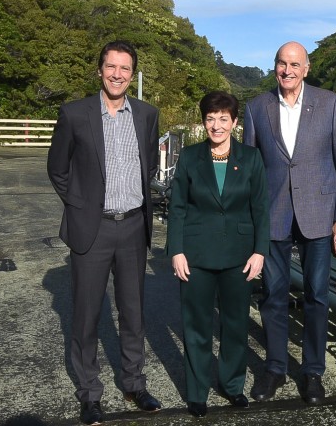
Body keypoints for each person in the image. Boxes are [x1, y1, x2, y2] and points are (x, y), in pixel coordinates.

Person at [47, 40, 162, 425]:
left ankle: (134, 382)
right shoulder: (75, 113)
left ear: (133, 74)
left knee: (133, 312)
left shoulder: (146, 115)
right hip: (91, 229)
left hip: (132, 225)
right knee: (86, 315)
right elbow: (57, 168)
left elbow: (148, 168)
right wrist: (80, 205)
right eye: (111, 67)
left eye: (125, 68)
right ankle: (90, 393)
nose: (117, 74)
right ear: (100, 70)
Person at [243, 41, 336, 406]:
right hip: (272, 215)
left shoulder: (330, 103)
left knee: (316, 297)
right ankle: (274, 369)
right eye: (281, 63)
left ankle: (312, 373)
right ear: (274, 66)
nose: (287, 70)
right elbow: (250, 171)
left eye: (294, 64)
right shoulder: (257, 107)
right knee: (272, 296)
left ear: (306, 69)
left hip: (319, 215)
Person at [166, 91, 270, 418]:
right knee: (196, 325)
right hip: (195, 255)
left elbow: (261, 210)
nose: (217, 125)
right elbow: (178, 207)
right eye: (211, 118)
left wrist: (260, 252)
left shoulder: (251, 158)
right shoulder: (190, 157)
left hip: (240, 256)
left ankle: (232, 385)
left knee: (235, 324)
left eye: (224, 118)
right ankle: (197, 392)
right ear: (203, 121)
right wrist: (176, 251)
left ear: (235, 122)